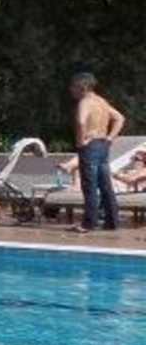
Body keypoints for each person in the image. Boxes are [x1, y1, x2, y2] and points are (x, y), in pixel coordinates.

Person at [70, 71, 127, 234]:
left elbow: (81, 121)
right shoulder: (102, 101)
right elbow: (120, 118)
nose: (71, 90)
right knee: (105, 185)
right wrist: (110, 138)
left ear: (82, 86)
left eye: (73, 86)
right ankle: (112, 222)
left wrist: (81, 141)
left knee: (89, 185)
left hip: (90, 146)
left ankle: (88, 224)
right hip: (103, 145)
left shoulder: (85, 101)